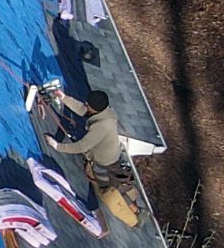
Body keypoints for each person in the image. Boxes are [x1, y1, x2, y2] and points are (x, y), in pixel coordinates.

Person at [30, 80, 141, 227]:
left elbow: (81, 146)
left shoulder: (101, 127)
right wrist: (63, 97)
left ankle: (134, 217)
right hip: (116, 159)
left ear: (96, 109)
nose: (86, 105)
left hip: (104, 165)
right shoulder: (106, 112)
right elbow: (83, 109)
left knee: (109, 193)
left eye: (89, 105)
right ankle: (135, 205)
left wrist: (57, 146)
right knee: (123, 185)